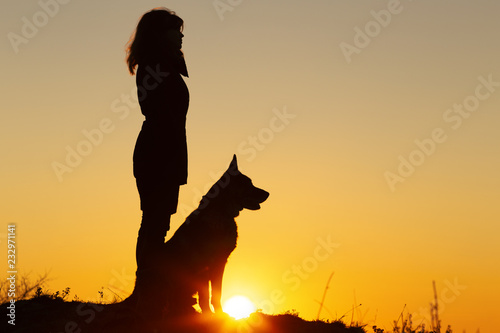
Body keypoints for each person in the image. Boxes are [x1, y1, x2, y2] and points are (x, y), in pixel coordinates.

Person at [125, 7, 189, 317]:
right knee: (154, 225)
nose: (181, 37)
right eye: (175, 31)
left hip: (165, 153)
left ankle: (146, 294)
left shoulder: (164, 65)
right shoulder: (155, 66)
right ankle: (146, 296)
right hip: (157, 154)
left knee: (155, 224)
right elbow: (155, 110)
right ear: (159, 35)